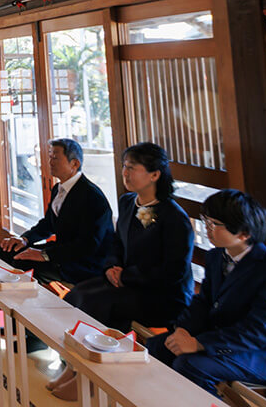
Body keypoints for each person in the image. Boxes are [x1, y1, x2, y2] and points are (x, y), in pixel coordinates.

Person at [51, 142, 194, 399]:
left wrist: (125, 275)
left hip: (161, 296)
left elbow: (172, 272)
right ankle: (73, 367)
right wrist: (111, 267)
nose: (125, 173)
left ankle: (93, 380)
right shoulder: (129, 202)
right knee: (77, 296)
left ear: (154, 174)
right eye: (124, 167)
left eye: (132, 168)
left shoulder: (174, 217)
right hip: (126, 283)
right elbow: (116, 243)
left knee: (97, 304)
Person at [147, 189, 266, 396]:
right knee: (158, 346)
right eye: (206, 221)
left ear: (243, 233)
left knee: (190, 365)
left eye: (214, 224)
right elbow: (203, 302)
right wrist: (183, 330)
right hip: (230, 340)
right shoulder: (217, 257)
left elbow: (259, 332)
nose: (207, 229)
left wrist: (199, 343)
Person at [0, 137, 113, 286]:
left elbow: (88, 245)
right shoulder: (58, 189)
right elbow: (48, 225)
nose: (50, 162)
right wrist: (24, 239)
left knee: (22, 263)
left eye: (56, 158)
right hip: (62, 251)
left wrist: (44, 255)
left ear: (75, 164)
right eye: (50, 157)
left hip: (84, 261)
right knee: (5, 251)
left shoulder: (92, 197)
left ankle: (27, 307)